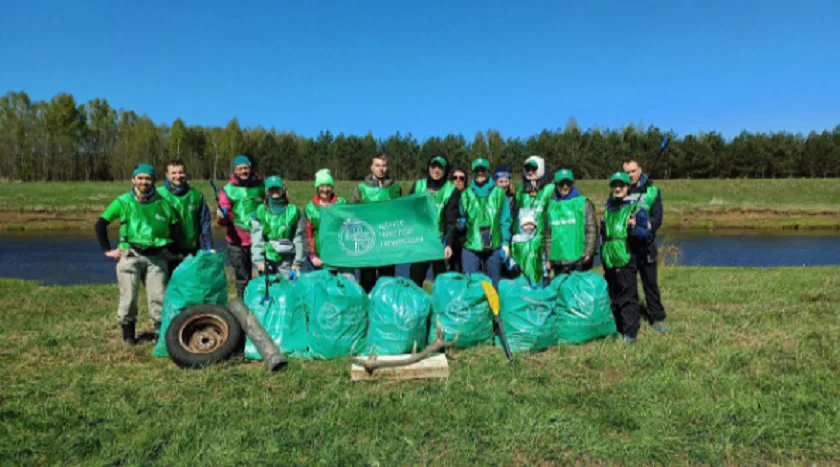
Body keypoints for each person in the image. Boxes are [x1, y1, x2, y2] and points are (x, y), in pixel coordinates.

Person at [94, 163, 180, 345]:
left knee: (159, 297)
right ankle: (129, 337)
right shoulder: (123, 202)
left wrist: (172, 251)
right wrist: (108, 250)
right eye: (140, 178)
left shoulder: (163, 202)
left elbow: (175, 227)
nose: (144, 182)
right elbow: (101, 224)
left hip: (156, 257)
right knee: (129, 298)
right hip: (130, 256)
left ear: (153, 180)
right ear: (133, 179)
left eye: (148, 178)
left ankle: (161, 335)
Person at [600, 172, 654, 344]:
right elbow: (603, 233)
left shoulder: (637, 208)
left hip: (627, 256)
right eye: (615, 185)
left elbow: (647, 234)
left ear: (628, 187)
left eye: (621, 185)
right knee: (613, 296)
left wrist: (634, 227)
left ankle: (630, 333)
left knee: (627, 296)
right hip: (609, 258)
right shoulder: (608, 208)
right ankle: (617, 329)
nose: (618, 188)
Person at [446, 158, 511, 287]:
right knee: (471, 286)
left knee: (493, 286)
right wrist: (461, 224)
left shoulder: (499, 194)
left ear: (487, 171)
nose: (480, 173)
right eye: (477, 170)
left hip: (494, 248)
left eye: (483, 170)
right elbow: (460, 217)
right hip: (471, 247)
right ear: (473, 172)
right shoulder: (465, 195)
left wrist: (505, 242)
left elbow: (505, 220)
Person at [623, 158, 668, 332]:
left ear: (640, 170)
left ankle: (657, 318)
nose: (630, 175)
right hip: (627, 246)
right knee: (629, 285)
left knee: (650, 283)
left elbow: (657, 218)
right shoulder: (620, 190)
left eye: (633, 171)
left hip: (646, 245)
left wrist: (641, 226)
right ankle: (631, 317)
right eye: (627, 172)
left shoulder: (652, 191)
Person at [351, 153, 403, 292]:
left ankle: (385, 303)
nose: (381, 169)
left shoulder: (395, 188)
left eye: (384, 165)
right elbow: (353, 212)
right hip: (368, 239)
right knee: (367, 278)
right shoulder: (361, 188)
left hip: (388, 239)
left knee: (387, 278)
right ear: (371, 167)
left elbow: (401, 212)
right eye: (377, 165)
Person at [408, 153, 458, 287]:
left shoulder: (450, 190)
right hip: (420, 242)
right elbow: (408, 212)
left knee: (442, 282)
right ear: (429, 167)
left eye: (440, 167)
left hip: (439, 242)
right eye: (433, 166)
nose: (436, 170)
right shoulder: (418, 186)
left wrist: (448, 244)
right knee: (414, 281)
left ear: (445, 170)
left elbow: (451, 221)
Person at [217, 155, 264, 298]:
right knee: (242, 279)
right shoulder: (227, 190)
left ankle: (261, 304)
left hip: (260, 239)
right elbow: (223, 219)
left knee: (264, 276)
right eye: (240, 169)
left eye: (246, 168)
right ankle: (243, 306)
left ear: (250, 168)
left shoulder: (261, 186)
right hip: (236, 241)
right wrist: (222, 215)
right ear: (234, 170)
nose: (244, 171)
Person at [158, 160, 213, 271]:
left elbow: (205, 222)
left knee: (191, 279)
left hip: (191, 248)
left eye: (181, 172)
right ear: (167, 175)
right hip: (166, 250)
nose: (178, 176)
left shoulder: (196, 195)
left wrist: (209, 247)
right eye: (174, 173)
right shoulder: (158, 195)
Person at [303, 169, 355, 281]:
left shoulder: (341, 203)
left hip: (341, 257)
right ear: (317, 187)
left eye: (328, 186)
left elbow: (351, 226)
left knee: (348, 283)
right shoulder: (310, 208)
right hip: (320, 258)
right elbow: (307, 234)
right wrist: (312, 255)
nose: (325, 189)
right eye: (322, 186)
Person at [544, 169, 598, 275]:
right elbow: (548, 234)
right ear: (556, 184)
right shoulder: (551, 206)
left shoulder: (583, 203)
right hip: (558, 260)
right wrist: (548, 256)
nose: (565, 187)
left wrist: (588, 251)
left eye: (568, 183)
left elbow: (591, 229)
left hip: (578, 260)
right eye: (561, 183)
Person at [250, 176, 305, 279]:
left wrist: (297, 262)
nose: (275, 191)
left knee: (287, 286)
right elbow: (257, 239)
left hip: (287, 259)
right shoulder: (261, 211)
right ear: (267, 192)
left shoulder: (293, 211)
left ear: (283, 190)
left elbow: (298, 238)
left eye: (277, 188)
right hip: (267, 258)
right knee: (267, 286)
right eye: (272, 189)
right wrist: (259, 260)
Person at [508, 209, 547, 285]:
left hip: (537, 277)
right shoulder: (516, 241)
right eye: (526, 224)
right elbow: (511, 255)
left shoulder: (537, 240)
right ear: (521, 226)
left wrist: (545, 274)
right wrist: (513, 265)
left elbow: (542, 257)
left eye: (531, 224)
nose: (529, 227)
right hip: (521, 277)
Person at [446, 166, 468, 273]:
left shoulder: (469, 195)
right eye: (455, 178)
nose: (458, 180)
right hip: (450, 239)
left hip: (466, 241)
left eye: (461, 178)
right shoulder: (445, 196)